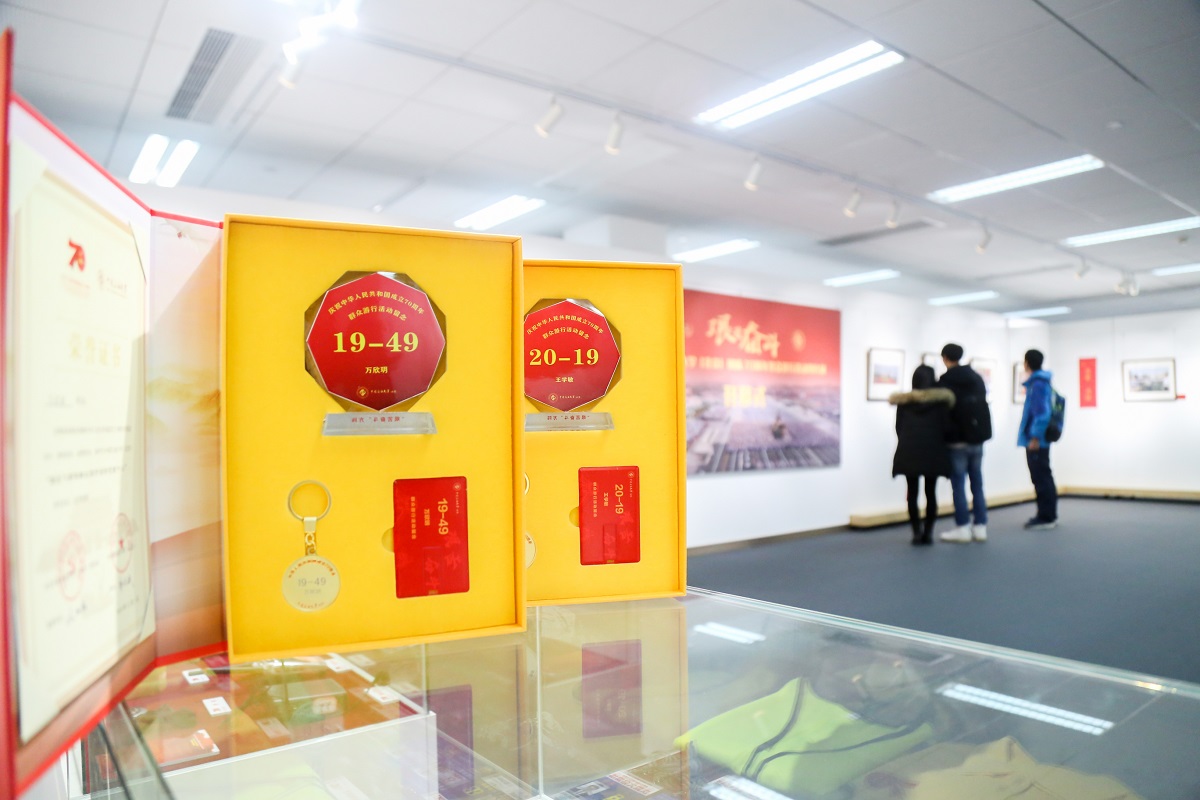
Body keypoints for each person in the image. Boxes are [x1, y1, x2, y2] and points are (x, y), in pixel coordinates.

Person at [889, 365, 955, 546]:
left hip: (909, 451)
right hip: (933, 450)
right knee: (930, 492)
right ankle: (928, 533)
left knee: (912, 493)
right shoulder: (940, 403)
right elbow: (946, 428)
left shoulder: (904, 403)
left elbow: (899, 428)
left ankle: (916, 532)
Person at [936, 343, 991, 543]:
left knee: (958, 485)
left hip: (956, 440)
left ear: (944, 358)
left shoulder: (945, 381)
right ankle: (980, 526)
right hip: (977, 439)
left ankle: (963, 527)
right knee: (977, 483)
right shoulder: (976, 378)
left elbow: (943, 412)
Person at [1019, 349, 1058, 529]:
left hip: (1037, 440)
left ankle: (1046, 516)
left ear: (1026, 363)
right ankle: (1048, 514)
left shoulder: (1038, 384)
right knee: (1043, 476)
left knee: (1040, 477)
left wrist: (1035, 437)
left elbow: (1041, 413)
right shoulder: (1042, 382)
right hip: (1041, 439)